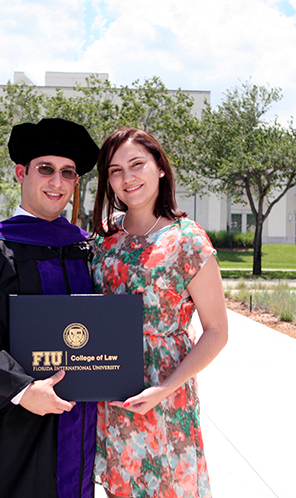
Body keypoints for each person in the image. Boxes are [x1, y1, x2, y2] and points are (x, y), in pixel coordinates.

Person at [0, 118, 100, 498]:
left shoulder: (87, 249)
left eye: (67, 173)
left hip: (77, 424)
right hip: (14, 432)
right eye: (46, 169)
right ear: (21, 172)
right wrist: (23, 390)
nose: (56, 182)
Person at [90, 128, 228, 498]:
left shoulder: (187, 239)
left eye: (137, 165)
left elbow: (216, 331)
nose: (127, 178)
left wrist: (165, 388)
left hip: (166, 389)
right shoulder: (103, 239)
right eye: (115, 171)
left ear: (160, 168)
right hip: (110, 385)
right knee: (121, 486)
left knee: (169, 486)